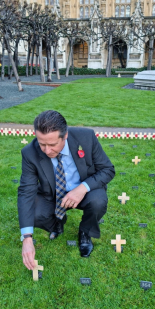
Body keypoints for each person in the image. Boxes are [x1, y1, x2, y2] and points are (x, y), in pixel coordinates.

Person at [18, 110, 115, 270]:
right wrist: (27, 237)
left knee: (98, 201)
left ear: (65, 136)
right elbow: (26, 192)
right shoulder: (29, 153)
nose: (47, 151)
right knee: (34, 212)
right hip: (53, 195)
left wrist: (82, 188)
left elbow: (108, 170)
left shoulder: (87, 138)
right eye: (42, 144)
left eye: (52, 145)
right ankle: (57, 222)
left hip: (85, 192)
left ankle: (85, 232)